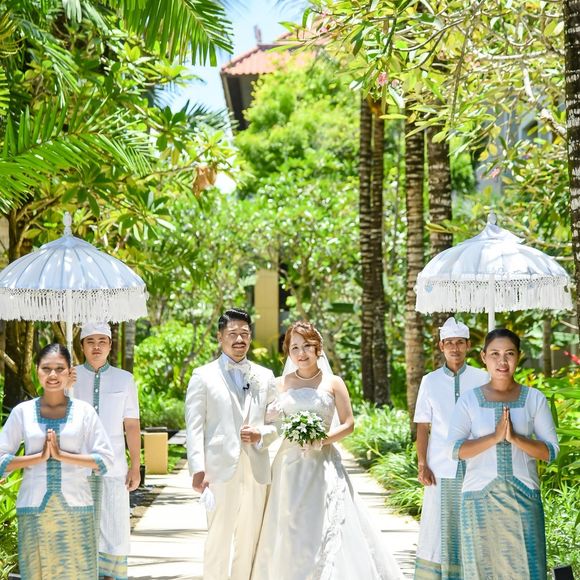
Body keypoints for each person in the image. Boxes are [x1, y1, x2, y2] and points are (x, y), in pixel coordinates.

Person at [251, 321, 403, 580]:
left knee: (324, 521)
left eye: (307, 346)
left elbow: (349, 424)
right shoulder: (279, 384)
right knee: (288, 522)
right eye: (295, 348)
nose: (301, 353)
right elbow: (267, 422)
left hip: (323, 464)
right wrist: (268, 419)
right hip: (288, 466)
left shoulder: (333, 382)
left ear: (318, 348)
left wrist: (321, 440)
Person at [448, 328, 559, 578]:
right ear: (483, 357)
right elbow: (455, 450)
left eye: (509, 353)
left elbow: (551, 452)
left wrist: (515, 438)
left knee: (529, 569)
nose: (502, 361)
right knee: (482, 570)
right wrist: (494, 437)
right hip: (478, 499)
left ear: (518, 356)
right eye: (495, 354)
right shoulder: (468, 400)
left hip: (524, 498)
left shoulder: (534, 399)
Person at [0, 343, 114, 579]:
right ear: (37, 370)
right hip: (33, 509)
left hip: (76, 508)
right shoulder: (22, 412)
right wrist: (37, 457)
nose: (53, 374)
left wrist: (63, 455)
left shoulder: (84, 411)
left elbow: (105, 460)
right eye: (46, 368)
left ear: (69, 371)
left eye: (60, 368)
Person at [185, 308, 278, 580]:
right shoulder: (202, 376)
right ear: (220, 337)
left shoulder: (265, 376)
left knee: (249, 540)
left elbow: (279, 422)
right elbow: (194, 426)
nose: (239, 339)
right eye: (233, 333)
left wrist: (261, 434)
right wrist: (198, 468)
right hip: (218, 471)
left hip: (256, 469)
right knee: (218, 538)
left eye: (245, 334)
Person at [414, 317, 489, 579]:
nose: (454, 348)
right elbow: (422, 426)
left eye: (459, 342)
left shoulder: (483, 378)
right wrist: (422, 464)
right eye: (449, 343)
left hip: (478, 465)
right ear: (441, 346)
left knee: (476, 524)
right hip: (440, 466)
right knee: (439, 527)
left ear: (468, 345)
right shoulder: (430, 381)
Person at [73, 322, 141, 580]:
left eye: (102, 341)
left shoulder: (125, 379)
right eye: (90, 341)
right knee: (79, 532)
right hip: (76, 470)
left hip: (114, 469)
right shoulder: (70, 377)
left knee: (115, 532)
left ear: (110, 345)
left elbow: (131, 424)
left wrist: (135, 465)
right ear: (82, 346)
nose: (96, 347)